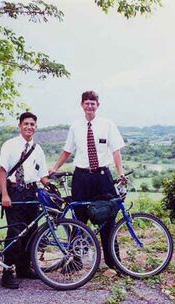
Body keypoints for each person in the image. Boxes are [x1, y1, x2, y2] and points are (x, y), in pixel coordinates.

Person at [49, 90, 126, 269]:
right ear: (82, 105)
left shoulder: (107, 125)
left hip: (102, 177)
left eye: (93, 102)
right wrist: (54, 168)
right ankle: (74, 262)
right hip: (81, 177)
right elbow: (67, 151)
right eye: (87, 102)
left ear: (98, 105)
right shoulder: (75, 127)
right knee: (78, 219)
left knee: (108, 219)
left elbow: (116, 151)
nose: (90, 105)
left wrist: (120, 172)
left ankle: (114, 263)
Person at [0, 111, 50, 289]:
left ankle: (24, 268)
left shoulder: (38, 148)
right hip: (14, 192)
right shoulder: (10, 145)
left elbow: (42, 175)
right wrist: (5, 194)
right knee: (15, 233)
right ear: (20, 125)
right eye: (26, 124)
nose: (29, 127)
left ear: (36, 127)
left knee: (31, 232)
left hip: (31, 192)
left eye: (32, 124)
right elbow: (3, 171)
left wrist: (51, 186)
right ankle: (7, 272)